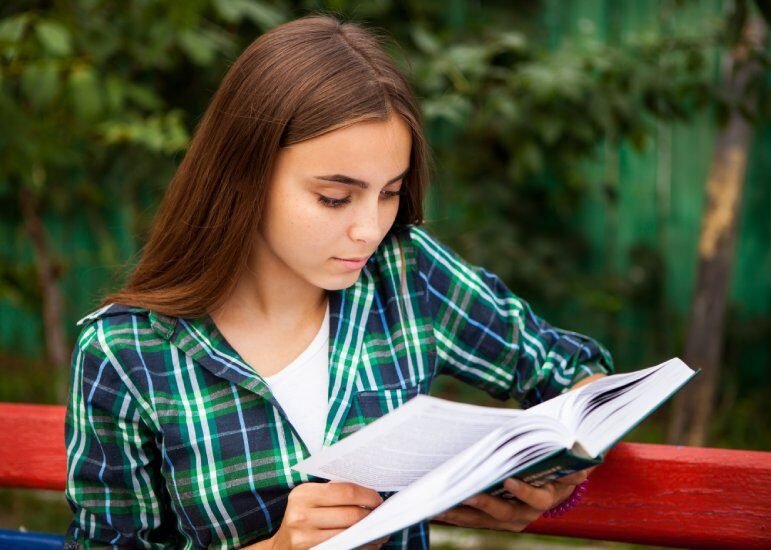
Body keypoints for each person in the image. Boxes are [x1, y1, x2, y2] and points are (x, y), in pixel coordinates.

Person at [64, 15, 613, 550]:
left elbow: (565, 367)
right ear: (244, 174)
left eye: (390, 192)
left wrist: (562, 471)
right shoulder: (126, 353)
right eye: (335, 197)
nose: (369, 228)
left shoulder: (406, 276)